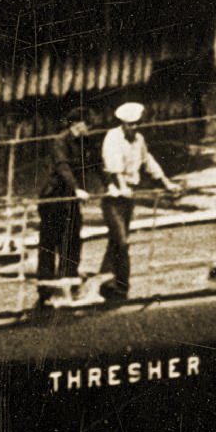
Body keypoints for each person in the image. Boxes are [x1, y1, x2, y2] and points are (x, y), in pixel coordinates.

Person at [99, 102, 181, 299]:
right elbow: (114, 165)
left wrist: (165, 182)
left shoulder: (139, 140)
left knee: (116, 241)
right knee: (122, 241)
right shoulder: (113, 138)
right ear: (123, 124)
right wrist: (122, 187)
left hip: (129, 195)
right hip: (114, 196)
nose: (134, 128)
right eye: (130, 125)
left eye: (137, 124)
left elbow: (147, 161)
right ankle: (122, 285)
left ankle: (104, 280)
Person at [36, 106, 94, 305]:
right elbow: (63, 167)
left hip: (70, 200)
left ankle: (69, 283)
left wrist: (110, 183)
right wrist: (77, 188)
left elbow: (95, 163)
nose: (89, 128)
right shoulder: (60, 141)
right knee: (49, 244)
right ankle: (45, 291)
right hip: (53, 199)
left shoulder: (85, 142)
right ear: (76, 124)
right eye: (87, 124)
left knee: (72, 241)